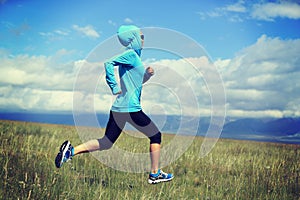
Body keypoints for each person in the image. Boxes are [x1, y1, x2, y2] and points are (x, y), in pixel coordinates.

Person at [55, 25, 173, 184]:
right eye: (141, 36)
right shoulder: (131, 55)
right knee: (156, 135)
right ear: (133, 38)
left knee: (106, 142)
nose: (144, 39)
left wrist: (147, 75)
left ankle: (70, 151)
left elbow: (136, 84)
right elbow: (108, 63)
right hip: (130, 109)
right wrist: (114, 86)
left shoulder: (134, 58)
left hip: (120, 108)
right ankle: (155, 174)